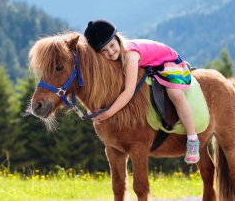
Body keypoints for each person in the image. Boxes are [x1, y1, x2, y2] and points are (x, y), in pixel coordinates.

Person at [84, 19, 199, 164]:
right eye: (104, 51)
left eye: (112, 46)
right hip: (150, 65)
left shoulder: (131, 56)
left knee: (175, 94)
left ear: (117, 39)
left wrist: (108, 113)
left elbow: (129, 91)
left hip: (167, 61)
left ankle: (192, 137)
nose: (111, 52)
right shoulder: (113, 57)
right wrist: (93, 109)